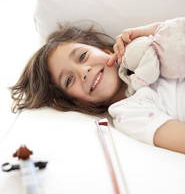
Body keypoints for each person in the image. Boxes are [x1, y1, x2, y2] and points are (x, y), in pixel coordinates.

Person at [10, 20, 185, 154]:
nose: (83, 71)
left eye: (82, 56)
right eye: (69, 80)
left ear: (106, 51)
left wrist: (155, 31)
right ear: (76, 102)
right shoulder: (128, 113)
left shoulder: (152, 51)